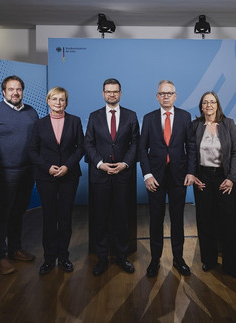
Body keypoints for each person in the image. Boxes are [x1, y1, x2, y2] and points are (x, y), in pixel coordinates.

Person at [0, 75, 39, 275]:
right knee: (1, 214)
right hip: (3, 173)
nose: (15, 93)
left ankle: (15, 248)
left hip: (27, 171)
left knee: (18, 212)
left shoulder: (31, 112)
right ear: (3, 92)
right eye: (11, 89)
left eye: (19, 89)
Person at [138, 80, 196, 277]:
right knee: (156, 219)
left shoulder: (185, 117)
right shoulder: (148, 118)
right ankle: (155, 260)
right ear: (157, 96)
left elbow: (191, 147)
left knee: (177, 219)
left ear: (175, 96)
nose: (165, 96)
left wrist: (190, 171)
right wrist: (147, 175)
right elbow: (141, 149)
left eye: (169, 93)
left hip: (179, 176)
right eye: (162, 93)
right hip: (155, 177)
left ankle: (178, 259)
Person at [85, 78, 139, 276]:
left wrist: (125, 164)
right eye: (108, 91)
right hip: (100, 175)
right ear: (103, 94)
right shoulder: (94, 116)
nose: (112, 95)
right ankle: (101, 258)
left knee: (122, 218)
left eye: (115, 91)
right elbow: (88, 144)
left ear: (121, 93)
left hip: (123, 175)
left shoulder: (131, 116)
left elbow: (135, 144)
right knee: (100, 218)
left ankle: (122, 257)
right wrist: (100, 164)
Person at [28, 87, 85, 275]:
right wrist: (47, 167)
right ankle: (49, 258)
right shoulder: (39, 124)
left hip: (69, 175)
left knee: (65, 217)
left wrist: (67, 166)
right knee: (49, 218)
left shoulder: (75, 121)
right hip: (46, 176)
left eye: (62, 100)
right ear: (48, 101)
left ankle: (64, 257)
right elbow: (32, 150)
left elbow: (80, 148)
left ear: (66, 102)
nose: (58, 103)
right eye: (54, 99)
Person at [192, 91, 236, 279]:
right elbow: (190, 152)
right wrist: (194, 175)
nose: (209, 105)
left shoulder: (228, 124)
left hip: (224, 177)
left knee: (228, 222)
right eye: (205, 102)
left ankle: (230, 265)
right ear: (201, 106)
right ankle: (209, 260)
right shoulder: (195, 125)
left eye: (212, 102)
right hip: (203, 178)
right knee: (205, 220)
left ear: (217, 105)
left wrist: (231, 178)